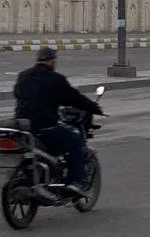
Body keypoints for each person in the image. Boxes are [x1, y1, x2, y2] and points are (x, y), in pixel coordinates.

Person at [13, 47, 103, 197]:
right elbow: (74, 98)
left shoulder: (23, 76)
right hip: (45, 126)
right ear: (53, 61)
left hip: (23, 126)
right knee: (75, 140)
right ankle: (74, 183)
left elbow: (18, 94)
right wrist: (94, 107)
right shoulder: (56, 79)